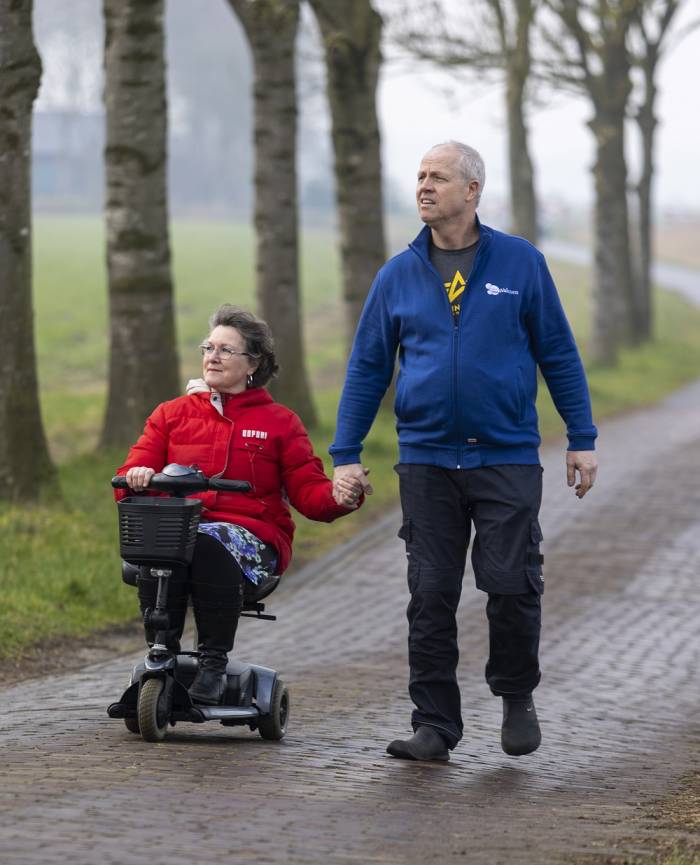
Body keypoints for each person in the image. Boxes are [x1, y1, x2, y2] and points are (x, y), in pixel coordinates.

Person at [330, 141, 598, 762]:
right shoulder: (398, 274)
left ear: (472, 190)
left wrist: (581, 439)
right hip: (425, 459)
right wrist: (345, 453)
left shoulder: (520, 263)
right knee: (430, 592)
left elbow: (558, 351)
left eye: (439, 177)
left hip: (505, 456)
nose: (424, 186)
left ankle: (514, 693)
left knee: (509, 583)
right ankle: (434, 726)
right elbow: (367, 369)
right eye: (420, 176)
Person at [116, 305, 363, 706]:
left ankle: (213, 665)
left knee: (208, 542)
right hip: (180, 532)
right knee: (168, 544)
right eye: (208, 347)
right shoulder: (171, 415)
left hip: (250, 540)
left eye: (226, 350)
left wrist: (342, 495)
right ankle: (162, 653)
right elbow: (129, 473)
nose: (212, 356)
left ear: (254, 363)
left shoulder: (280, 422)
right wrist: (138, 478)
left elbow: (309, 495)